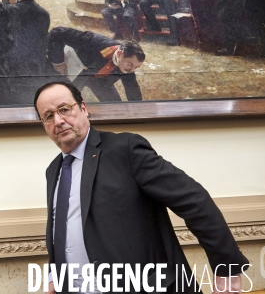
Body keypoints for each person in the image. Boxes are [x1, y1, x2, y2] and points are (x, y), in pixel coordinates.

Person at [34, 81, 249, 294]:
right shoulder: (54, 170)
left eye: (64, 109)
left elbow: (195, 201)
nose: (59, 121)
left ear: (83, 109)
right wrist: (56, 277)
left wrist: (227, 269)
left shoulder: (125, 150)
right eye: (48, 116)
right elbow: (62, 228)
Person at [47, 27, 144, 102]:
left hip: (100, 81)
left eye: (136, 67)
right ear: (119, 54)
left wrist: (137, 107)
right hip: (78, 71)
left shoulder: (129, 67)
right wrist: (58, 62)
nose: (132, 70)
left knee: (115, 105)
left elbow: (132, 89)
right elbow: (57, 32)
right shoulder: (94, 40)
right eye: (130, 65)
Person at [6, 0, 52, 103]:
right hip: (37, 63)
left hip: (16, 63)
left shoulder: (11, 10)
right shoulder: (44, 12)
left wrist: (4, 2)